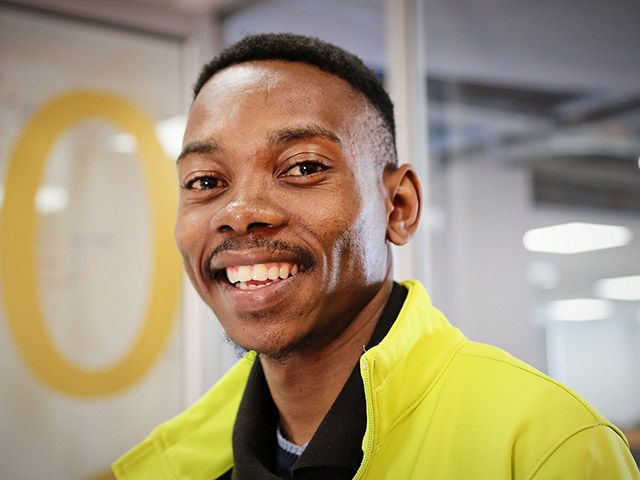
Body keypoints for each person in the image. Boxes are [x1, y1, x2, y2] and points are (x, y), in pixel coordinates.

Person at [112, 33, 639, 479]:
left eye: (303, 167)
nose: (240, 212)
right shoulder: (170, 466)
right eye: (205, 181)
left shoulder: (548, 448)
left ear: (399, 207)